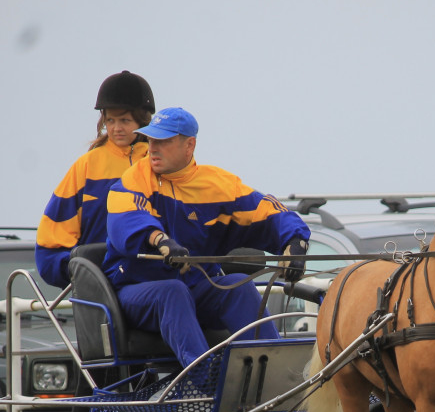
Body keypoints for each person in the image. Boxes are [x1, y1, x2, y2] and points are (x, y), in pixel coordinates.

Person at [103, 107, 311, 376]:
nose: (153, 148)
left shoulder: (219, 184)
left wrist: (295, 242)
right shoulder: (134, 178)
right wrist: (160, 240)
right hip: (136, 292)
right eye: (151, 140)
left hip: (195, 288)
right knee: (171, 292)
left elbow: (267, 210)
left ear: (189, 145)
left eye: (163, 141)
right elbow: (126, 218)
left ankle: (278, 383)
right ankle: (207, 381)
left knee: (239, 286)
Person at [36, 70, 156, 287]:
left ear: (143, 121)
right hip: (103, 289)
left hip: (152, 278)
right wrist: (82, 273)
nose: (116, 128)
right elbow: (50, 245)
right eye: (110, 120)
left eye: (125, 120)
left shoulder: (158, 162)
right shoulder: (87, 166)